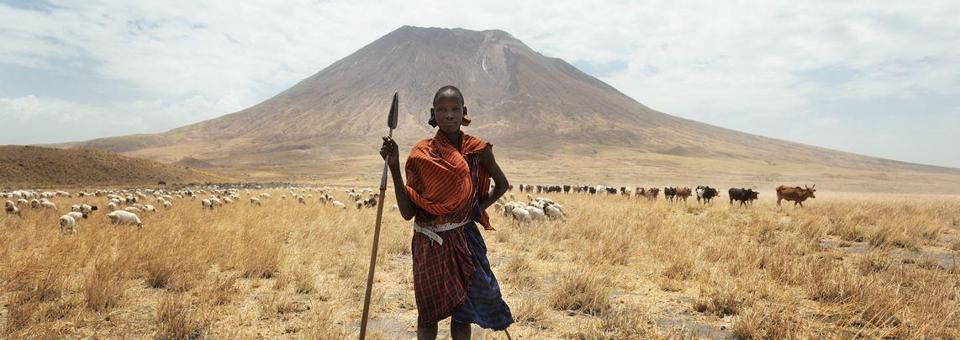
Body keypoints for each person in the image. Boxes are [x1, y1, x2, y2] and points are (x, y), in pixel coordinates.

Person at [380, 85, 514, 340]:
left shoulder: (478, 150)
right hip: (429, 243)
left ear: (464, 111)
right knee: (427, 315)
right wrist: (395, 167)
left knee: (462, 314)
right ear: (433, 114)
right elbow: (408, 213)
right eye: (442, 110)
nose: (449, 115)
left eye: (454, 109)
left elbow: (503, 184)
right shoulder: (421, 154)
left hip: (464, 240)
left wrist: (476, 209)